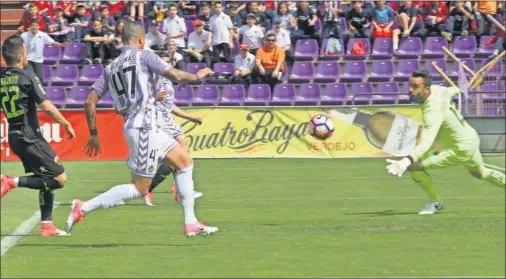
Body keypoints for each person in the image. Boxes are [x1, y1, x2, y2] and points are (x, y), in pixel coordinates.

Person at [65, 23, 218, 237]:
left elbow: (90, 101)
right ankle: (83, 207)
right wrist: (198, 77)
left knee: (185, 162)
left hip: (142, 126)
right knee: (139, 189)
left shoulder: (111, 67)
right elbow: (174, 74)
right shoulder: (144, 56)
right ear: (141, 39)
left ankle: (191, 222)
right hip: (143, 126)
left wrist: (93, 133)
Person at [385, 70, 506, 215]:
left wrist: (405, 162)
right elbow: (452, 90)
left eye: (415, 86)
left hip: (459, 148)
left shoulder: (432, 111)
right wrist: (460, 89)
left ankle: (435, 202)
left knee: (414, 167)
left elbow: (425, 143)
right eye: (410, 85)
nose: (410, 90)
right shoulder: (439, 89)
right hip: (470, 138)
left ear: (426, 89)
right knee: (480, 172)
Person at [0, 34, 76, 236]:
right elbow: (47, 107)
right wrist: (66, 122)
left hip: (14, 136)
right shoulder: (26, 76)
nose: (27, 57)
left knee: (44, 175)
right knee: (59, 178)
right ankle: (10, 181)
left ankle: (47, 225)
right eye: (25, 53)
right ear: (20, 58)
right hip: (29, 136)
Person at [144, 77, 204, 206]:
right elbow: (135, 99)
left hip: (168, 121)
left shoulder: (167, 81)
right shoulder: (149, 78)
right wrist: (153, 97)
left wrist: (190, 116)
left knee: (183, 153)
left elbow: (169, 105)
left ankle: (179, 191)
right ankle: (150, 188)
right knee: (170, 157)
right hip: (155, 121)